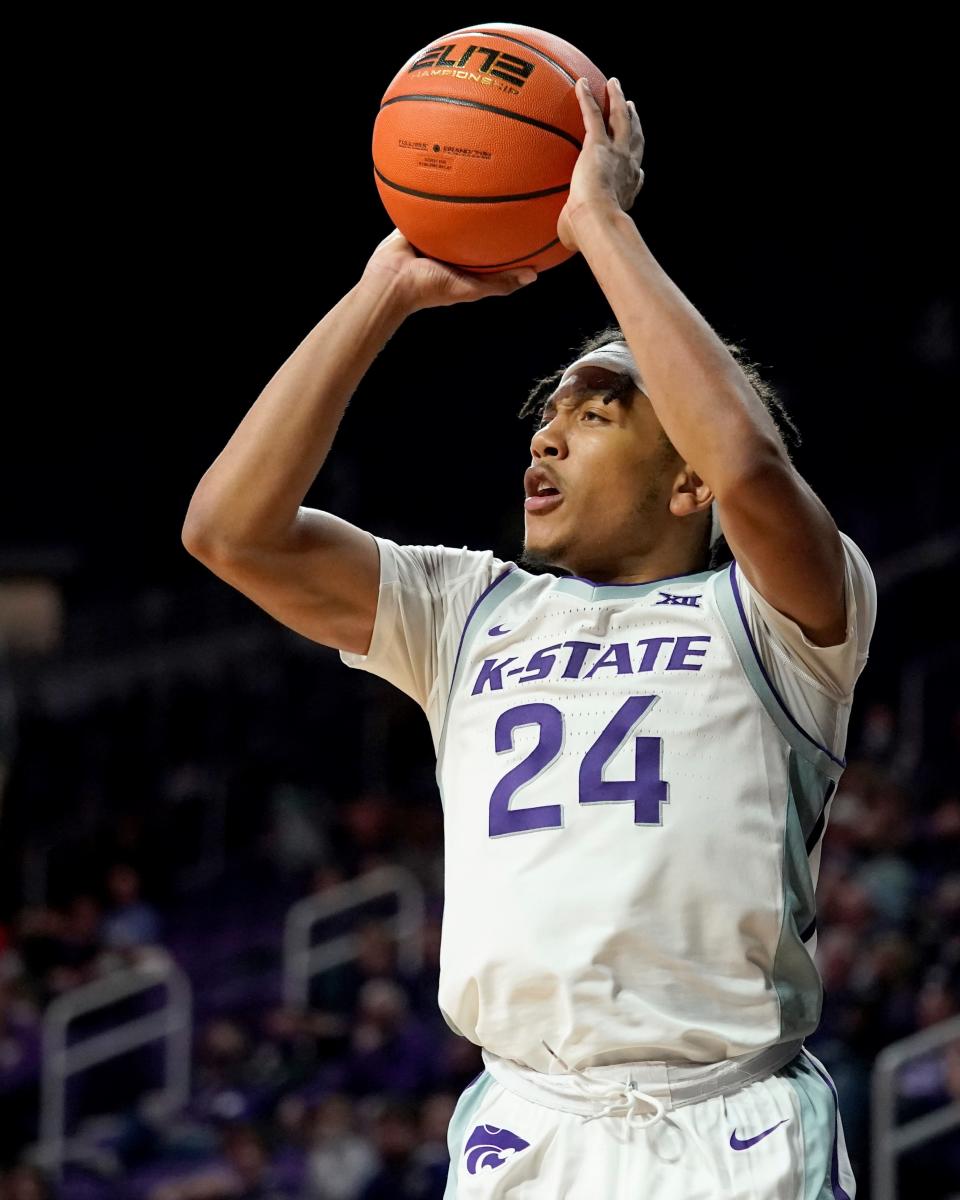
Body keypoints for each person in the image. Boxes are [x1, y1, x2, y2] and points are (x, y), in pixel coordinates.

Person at [183, 74, 875, 1199]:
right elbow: (228, 531)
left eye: (593, 416)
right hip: (529, 1126)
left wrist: (597, 222)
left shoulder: (778, 616)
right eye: (545, 419)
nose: (545, 441)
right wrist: (383, 295)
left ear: (685, 478)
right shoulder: (468, 609)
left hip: (730, 1126)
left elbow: (750, 464)